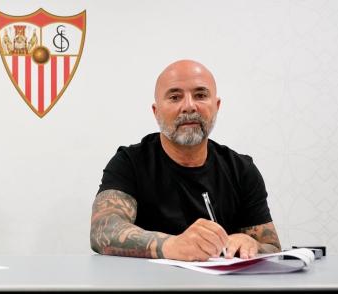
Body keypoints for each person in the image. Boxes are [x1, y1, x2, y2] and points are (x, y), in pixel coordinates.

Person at [90, 60, 281, 261]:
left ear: (216, 106)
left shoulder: (241, 169)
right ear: (156, 112)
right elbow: (103, 232)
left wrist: (251, 245)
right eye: (175, 97)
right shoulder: (129, 163)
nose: (189, 106)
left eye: (200, 95)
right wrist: (172, 246)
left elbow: (272, 247)